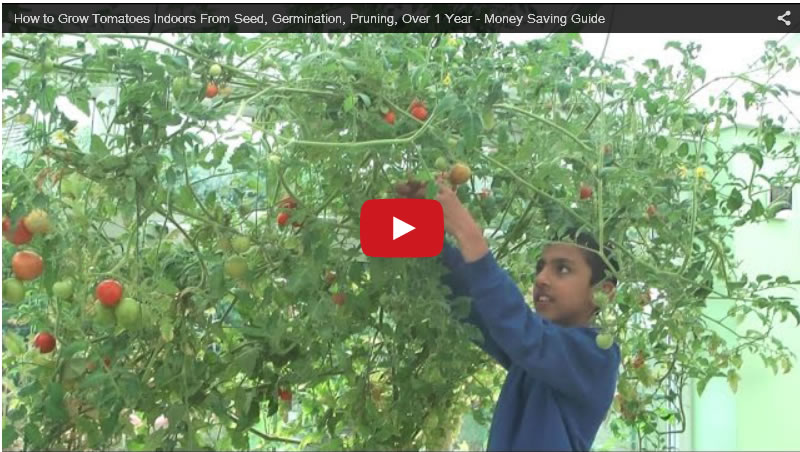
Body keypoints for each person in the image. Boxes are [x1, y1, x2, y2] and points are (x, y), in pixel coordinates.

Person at [398, 174, 621, 451]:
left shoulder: (597, 356)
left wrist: (468, 233)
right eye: (540, 267)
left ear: (603, 291)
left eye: (562, 269)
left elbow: (518, 327)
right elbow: (468, 294)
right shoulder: (533, 355)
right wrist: (404, 216)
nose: (541, 278)